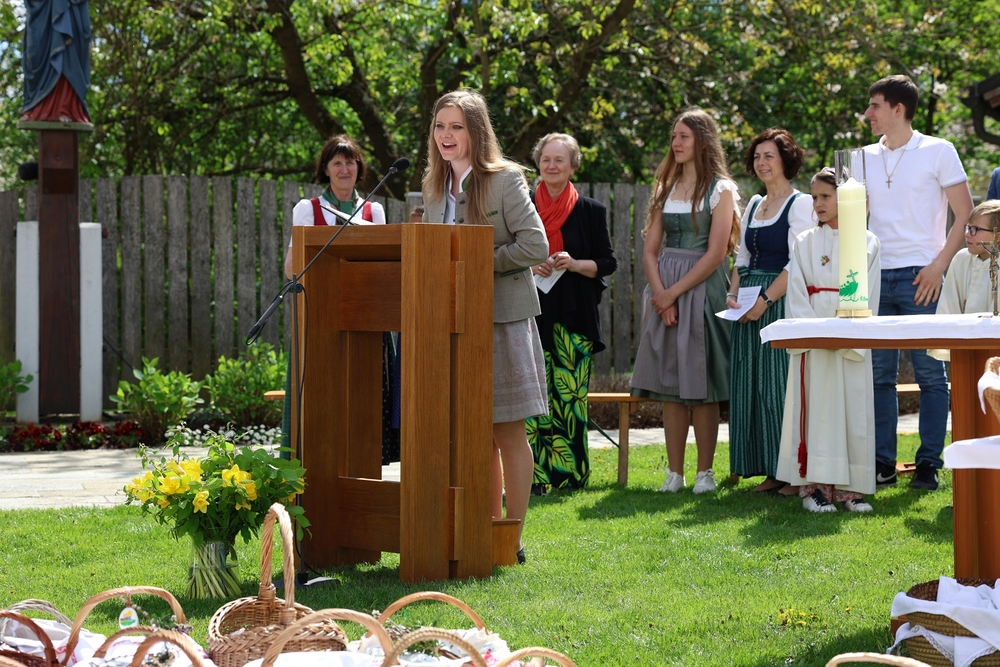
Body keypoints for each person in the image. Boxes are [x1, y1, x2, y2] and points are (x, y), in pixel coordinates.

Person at [421, 90, 549, 563]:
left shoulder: (504, 179)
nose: (447, 135)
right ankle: (483, 529)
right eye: (440, 126)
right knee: (473, 435)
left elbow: (535, 246)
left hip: (502, 320)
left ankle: (511, 539)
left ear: (475, 132)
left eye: (456, 126)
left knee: (506, 432)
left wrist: (478, 261)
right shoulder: (434, 187)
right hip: (452, 323)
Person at [863, 74, 975, 491]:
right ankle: (883, 464)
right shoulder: (861, 158)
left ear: (898, 109)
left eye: (875, 106)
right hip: (874, 277)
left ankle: (928, 464)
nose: (868, 114)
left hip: (922, 277)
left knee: (931, 377)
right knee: (878, 377)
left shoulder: (939, 150)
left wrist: (938, 266)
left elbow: (965, 214)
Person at [630, 108, 740, 495]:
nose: (676, 143)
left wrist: (672, 294)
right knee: (671, 384)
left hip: (702, 288)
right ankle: (674, 473)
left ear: (702, 142)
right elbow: (649, 251)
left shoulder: (721, 190)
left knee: (701, 382)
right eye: (674, 136)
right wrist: (660, 294)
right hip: (664, 287)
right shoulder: (666, 187)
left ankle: (704, 473)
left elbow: (716, 254)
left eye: (684, 137)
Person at [281, 135, 395, 461]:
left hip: (366, 319)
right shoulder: (308, 209)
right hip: (320, 317)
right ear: (326, 169)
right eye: (337, 163)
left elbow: (384, 267)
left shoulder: (374, 210)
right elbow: (291, 271)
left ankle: (362, 467)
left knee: (363, 397)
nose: (345, 169)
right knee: (322, 397)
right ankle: (313, 465)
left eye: (350, 162)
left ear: (359, 167)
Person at [775, 168, 881, 513]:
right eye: (814, 197)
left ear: (845, 198)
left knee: (853, 411)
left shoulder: (867, 241)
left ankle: (851, 490)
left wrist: (849, 335)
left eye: (825, 196)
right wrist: (817, 334)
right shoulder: (804, 241)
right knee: (818, 412)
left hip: (851, 338)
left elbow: (871, 294)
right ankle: (814, 488)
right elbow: (796, 293)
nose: (818, 203)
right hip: (816, 341)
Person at [525, 134, 618, 493]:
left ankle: (569, 476)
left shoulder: (591, 210)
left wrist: (576, 264)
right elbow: (502, 251)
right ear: (538, 163)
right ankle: (532, 478)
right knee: (531, 397)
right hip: (528, 313)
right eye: (546, 159)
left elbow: (607, 262)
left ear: (573, 166)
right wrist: (529, 264)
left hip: (575, 315)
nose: (551, 166)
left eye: (559, 160)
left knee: (569, 397)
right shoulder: (522, 205)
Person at [726, 128, 813, 495]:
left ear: (785, 160)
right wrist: (733, 295)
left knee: (778, 387)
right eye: (757, 156)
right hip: (747, 303)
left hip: (779, 303)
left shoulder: (800, 204)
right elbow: (742, 257)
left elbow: (798, 263)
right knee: (751, 386)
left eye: (769, 156)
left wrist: (764, 301)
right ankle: (765, 467)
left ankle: (790, 471)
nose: (761, 163)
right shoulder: (755, 204)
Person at [935, 200, 1000, 322]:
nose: (968, 234)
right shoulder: (961, 259)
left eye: (975, 229)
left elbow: (995, 324)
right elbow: (946, 312)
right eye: (968, 228)